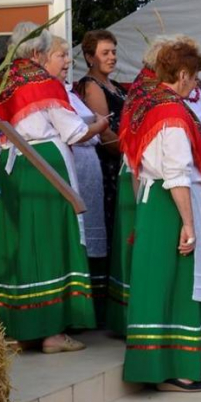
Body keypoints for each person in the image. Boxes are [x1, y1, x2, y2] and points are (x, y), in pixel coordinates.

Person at [0, 21, 109, 352]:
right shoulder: (44, 83)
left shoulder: (4, 81)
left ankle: (18, 328)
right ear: (39, 52)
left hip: (12, 166)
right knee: (51, 243)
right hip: (43, 164)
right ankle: (52, 332)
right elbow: (73, 132)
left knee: (21, 243)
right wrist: (99, 125)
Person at [119, 39, 201, 392]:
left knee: (156, 283)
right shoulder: (172, 113)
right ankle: (177, 369)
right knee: (178, 285)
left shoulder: (148, 103)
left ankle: (158, 365)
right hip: (170, 205)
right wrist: (189, 224)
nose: (194, 86)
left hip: (153, 201)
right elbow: (176, 172)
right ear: (180, 74)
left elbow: (135, 163)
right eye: (192, 79)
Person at [106, 35, 173, 335]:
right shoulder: (146, 92)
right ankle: (136, 318)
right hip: (139, 174)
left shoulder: (149, 88)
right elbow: (135, 140)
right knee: (138, 244)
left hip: (144, 173)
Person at [45, 35, 109, 323]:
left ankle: (88, 306)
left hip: (85, 165)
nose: (67, 61)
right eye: (61, 56)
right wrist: (99, 126)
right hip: (71, 163)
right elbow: (73, 131)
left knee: (88, 237)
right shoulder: (49, 92)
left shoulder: (67, 91)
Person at [76, 30, 127, 251]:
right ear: (89, 57)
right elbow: (104, 132)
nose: (112, 57)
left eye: (114, 52)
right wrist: (130, 152)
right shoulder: (91, 86)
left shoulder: (115, 85)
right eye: (105, 52)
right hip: (109, 164)